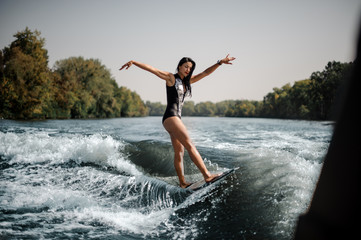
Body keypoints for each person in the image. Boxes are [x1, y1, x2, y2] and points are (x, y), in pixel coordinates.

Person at [119, 54, 236, 188]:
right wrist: (134, 62)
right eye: (185, 66)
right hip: (171, 116)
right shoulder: (171, 78)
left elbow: (205, 73)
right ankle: (207, 176)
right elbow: (153, 69)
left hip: (173, 118)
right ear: (179, 66)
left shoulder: (188, 81)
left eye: (190, 68)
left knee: (179, 151)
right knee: (190, 145)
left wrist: (219, 63)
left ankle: (182, 183)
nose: (187, 70)